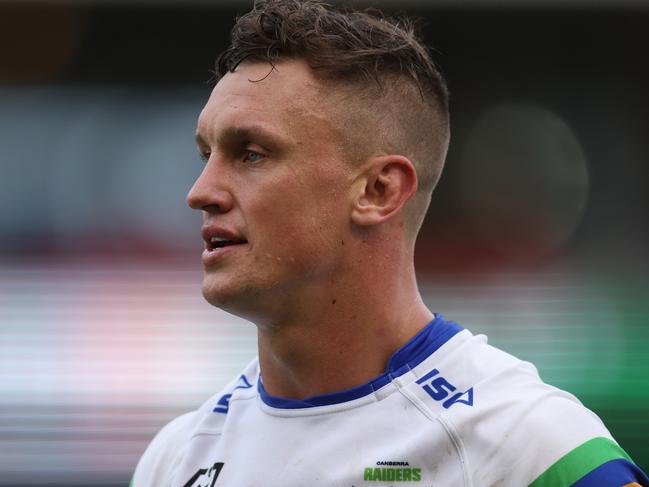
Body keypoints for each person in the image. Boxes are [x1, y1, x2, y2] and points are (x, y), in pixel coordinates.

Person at [132, 1, 648, 485]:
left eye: (251, 154)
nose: (200, 193)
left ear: (379, 191)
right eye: (207, 155)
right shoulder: (175, 457)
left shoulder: (528, 446)